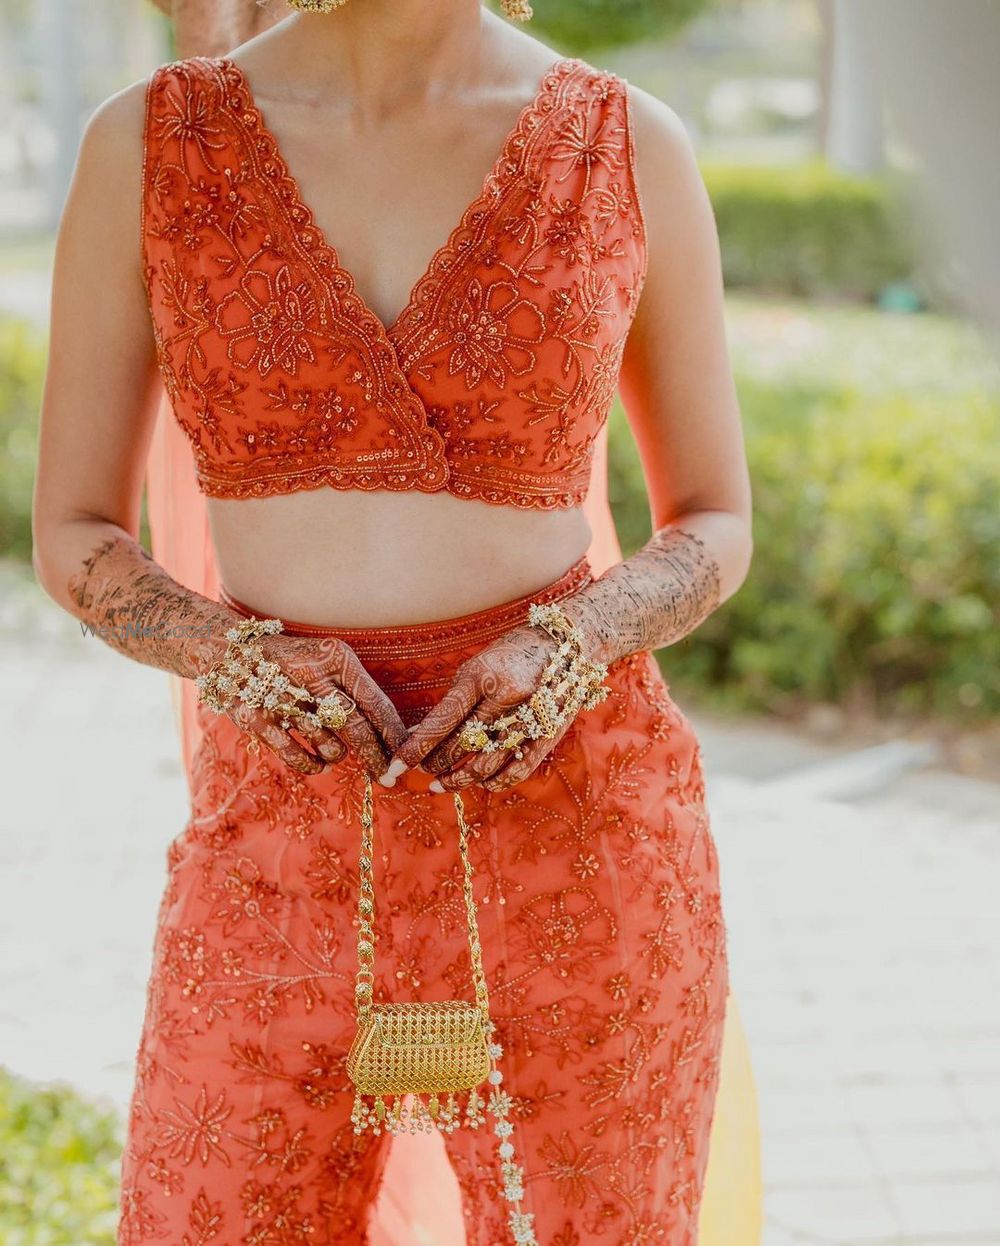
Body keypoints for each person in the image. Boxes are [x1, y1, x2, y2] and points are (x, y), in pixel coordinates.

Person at [32, 1, 753, 1243]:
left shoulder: (625, 143)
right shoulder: (147, 143)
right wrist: (231, 657)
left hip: (575, 820)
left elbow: (714, 520)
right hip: (278, 827)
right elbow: (76, 529)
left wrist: (574, 643)